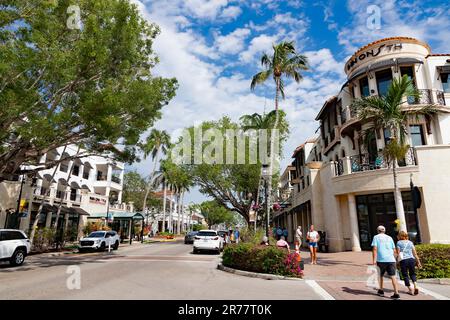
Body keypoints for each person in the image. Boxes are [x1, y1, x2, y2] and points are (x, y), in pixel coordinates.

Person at [372, 225, 400, 299]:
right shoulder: (390, 238)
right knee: (393, 276)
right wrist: (395, 259)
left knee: (380, 276)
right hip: (391, 259)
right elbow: (394, 250)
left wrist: (374, 260)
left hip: (381, 260)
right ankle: (396, 293)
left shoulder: (376, 237)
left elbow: (375, 249)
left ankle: (381, 291)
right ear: (384, 231)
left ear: (378, 231)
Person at [396, 230, 422, 295]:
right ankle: (415, 286)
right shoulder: (410, 242)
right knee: (412, 274)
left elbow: (398, 253)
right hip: (411, 260)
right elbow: (415, 253)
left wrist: (397, 262)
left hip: (403, 260)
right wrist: (418, 262)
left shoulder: (399, 243)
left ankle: (410, 289)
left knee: (405, 275)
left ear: (399, 236)